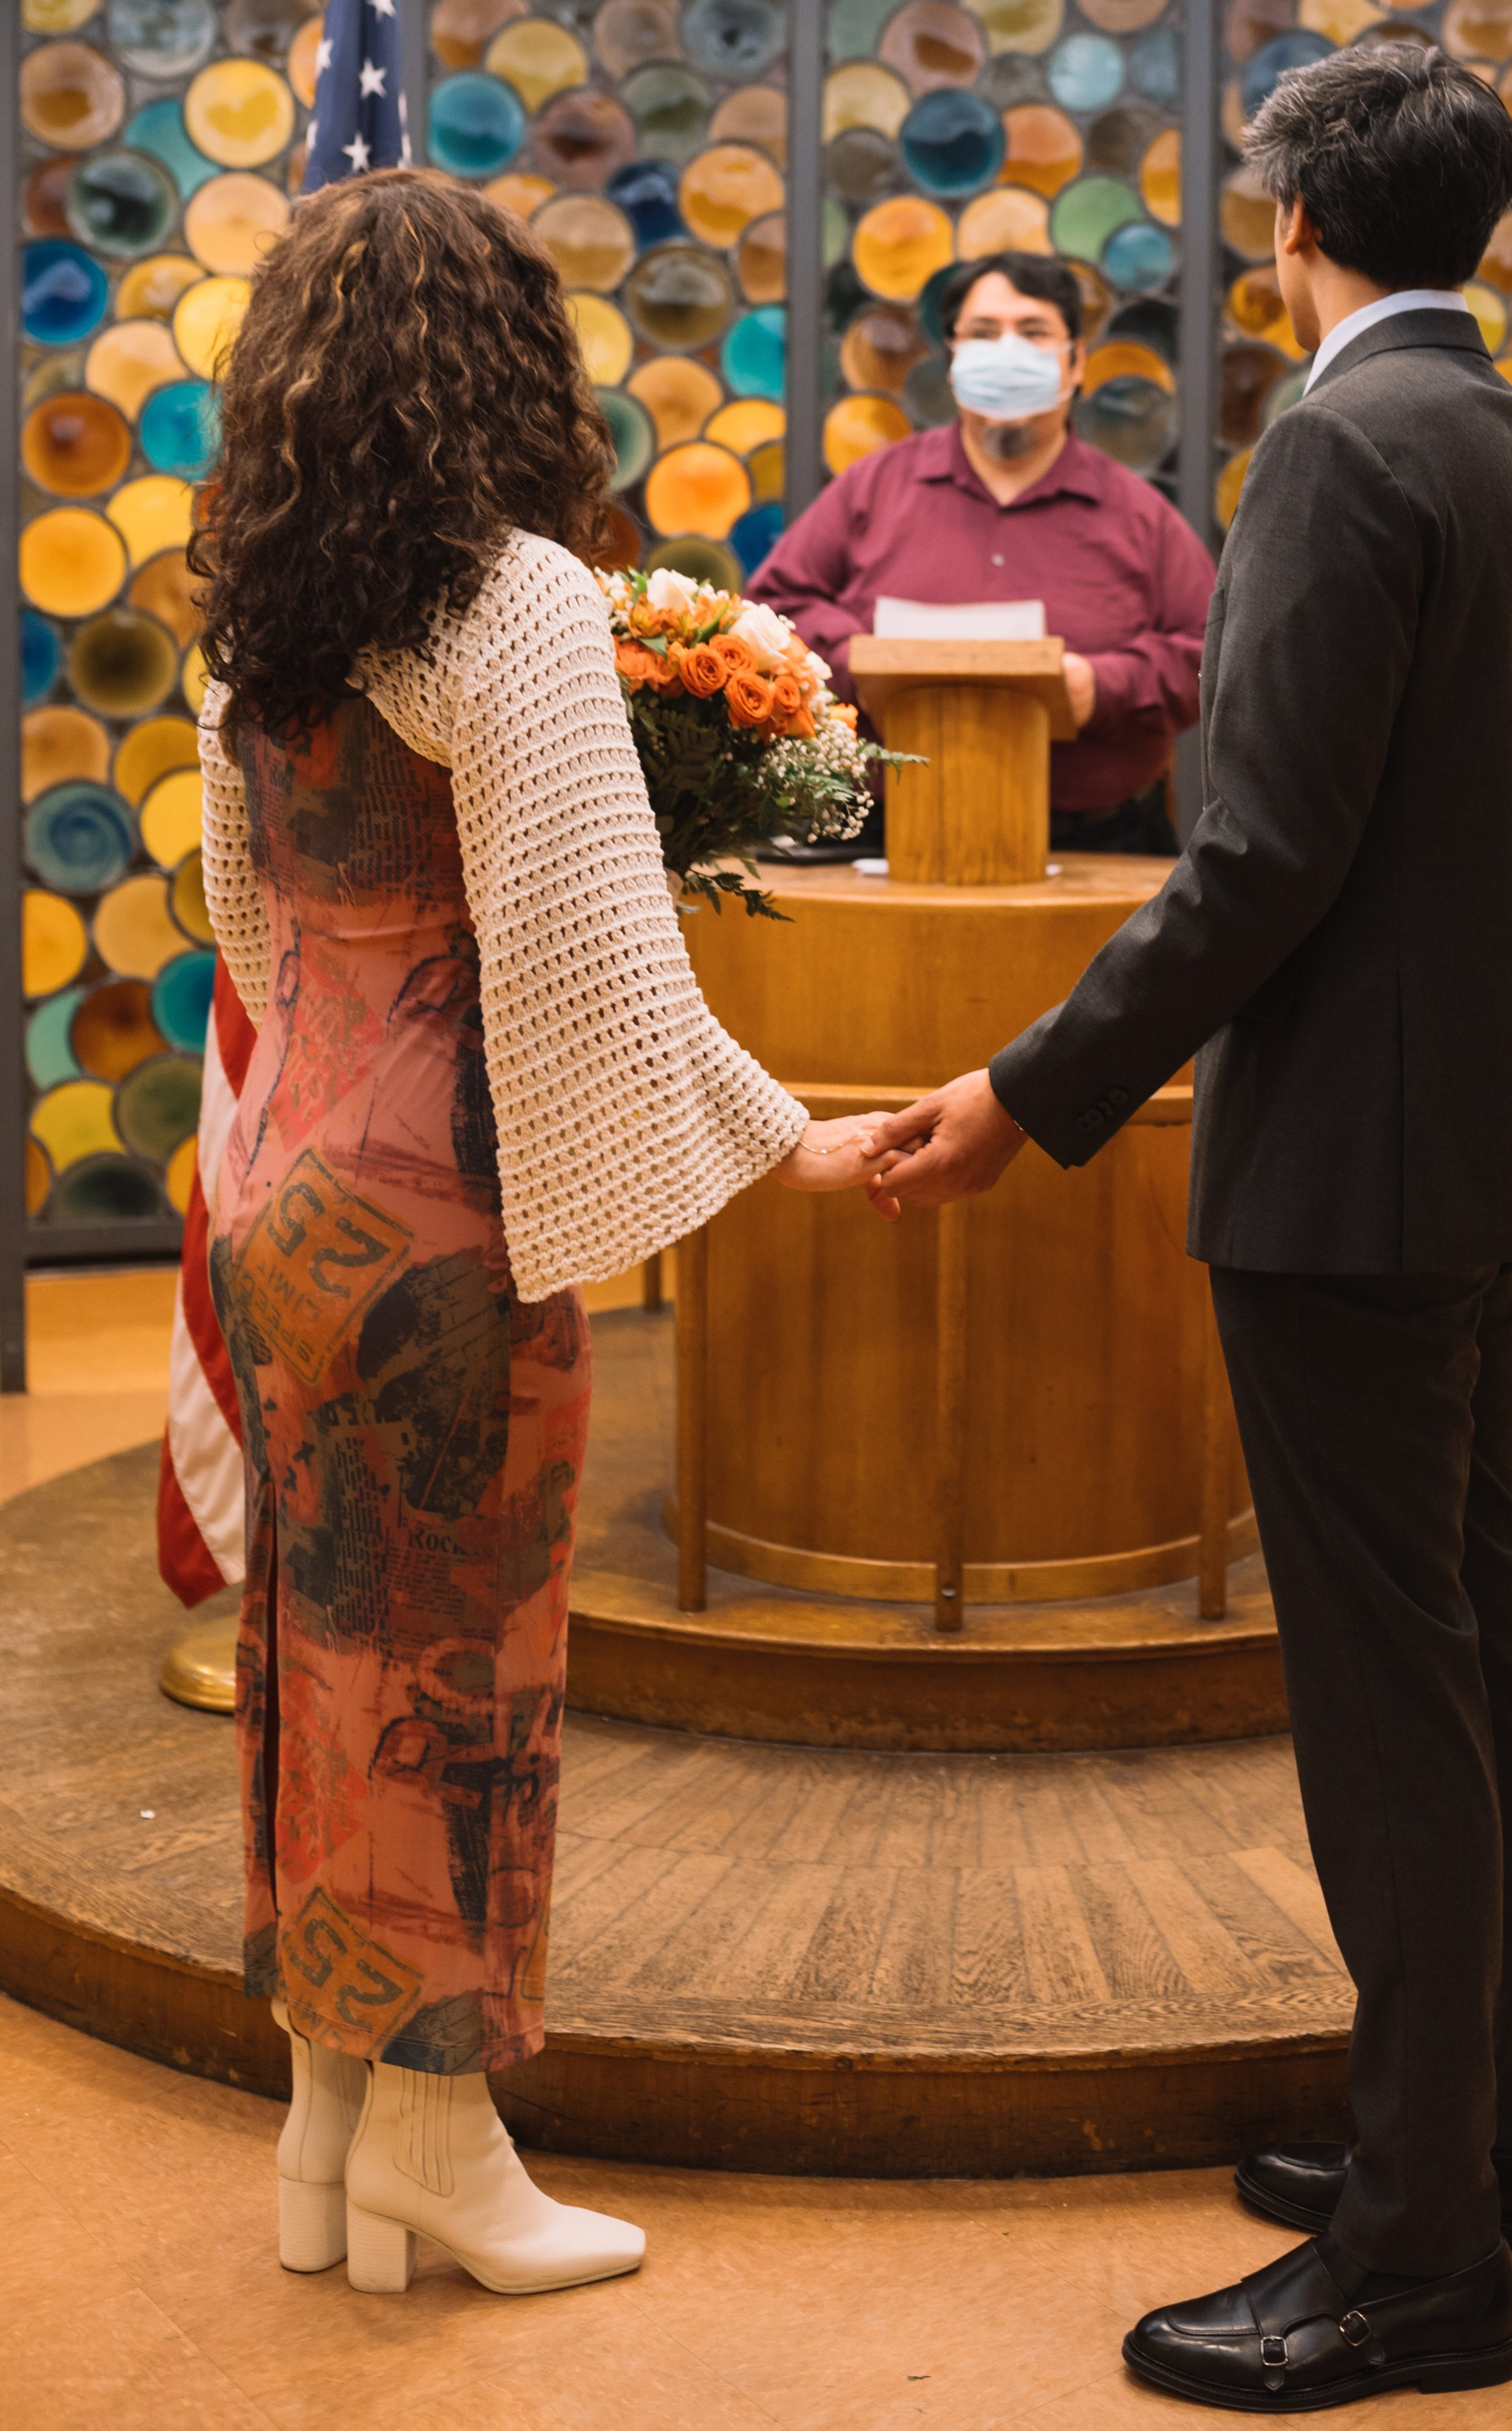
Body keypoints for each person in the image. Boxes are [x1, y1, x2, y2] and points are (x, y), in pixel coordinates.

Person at [862, 42, 1512, 2407]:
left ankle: (1419, 2271)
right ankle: (1503, 2133)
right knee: (1481, 1642)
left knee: (1393, 1704)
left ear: (1296, 227)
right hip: (1488, 1137)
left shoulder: (1331, 448)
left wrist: (1024, 1089)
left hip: (1352, 1173)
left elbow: (1262, 856)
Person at [194, 169, 885, 2300]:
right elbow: (587, 952)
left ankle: (324, 2129)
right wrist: (785, 1143)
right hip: (437, 1212)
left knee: (319, 1653)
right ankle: (439, 2137)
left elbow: (240, 911)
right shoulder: (512, 603)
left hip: (276, 1173)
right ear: (506, 360)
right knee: (449, 1671)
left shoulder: (265, 609)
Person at [748, 251, 1215, 854]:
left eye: (1034, 332)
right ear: (952, 362)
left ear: (1074, 364)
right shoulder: (874, 487)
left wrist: (1101, 686)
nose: (1007, 350)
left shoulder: (1140, 515)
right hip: (888, 843)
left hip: (1097, 850)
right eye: (984, 333)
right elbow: (771, 610)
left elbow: (1212, 655)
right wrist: (861, 658)